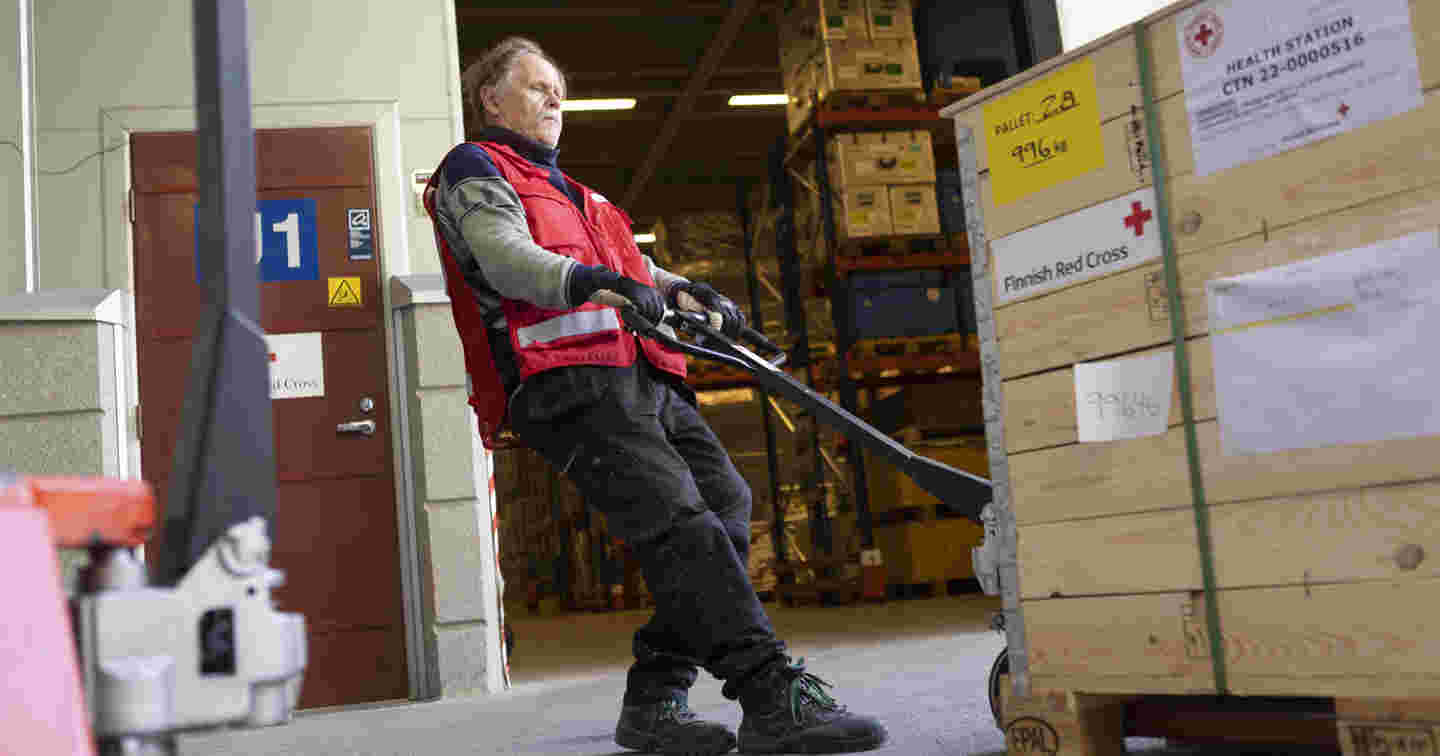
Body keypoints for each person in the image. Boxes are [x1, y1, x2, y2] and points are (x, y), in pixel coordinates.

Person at [423, 36, 888, 755]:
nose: (556, 100)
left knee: (726, 508)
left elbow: (636, 267)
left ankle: (654, 700)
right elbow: (507, 259)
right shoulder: (475, 168)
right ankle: (771, 693)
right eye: (539, 86)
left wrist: (684, 290)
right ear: (490, 97)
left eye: (561, 91)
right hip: (565, 380)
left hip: (645, 374)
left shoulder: (583, 197)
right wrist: (591, 285)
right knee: (680, 521)